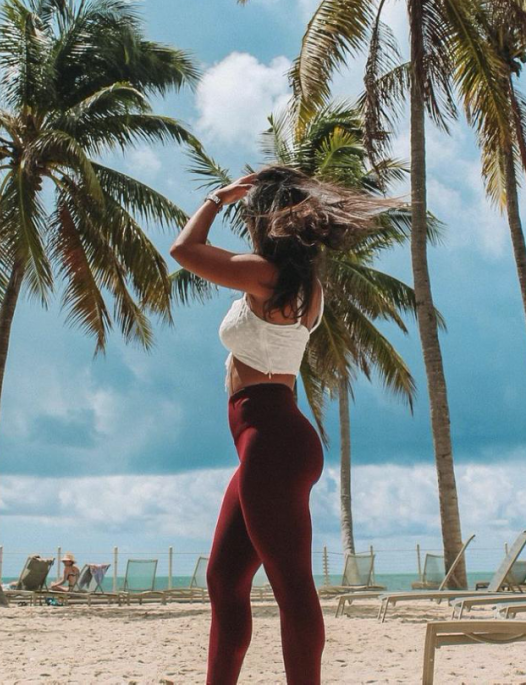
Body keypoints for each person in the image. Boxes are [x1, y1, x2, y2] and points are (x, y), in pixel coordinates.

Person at [169, 164, 398, 685]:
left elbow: (183, 250)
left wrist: (216, 197)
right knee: (225, 579)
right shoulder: (300, 283)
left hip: (271, 440)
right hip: (272, 440)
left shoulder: (266, 276)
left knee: (291, 585)